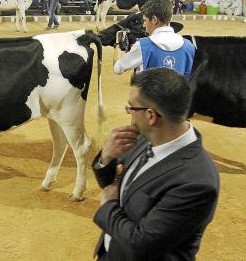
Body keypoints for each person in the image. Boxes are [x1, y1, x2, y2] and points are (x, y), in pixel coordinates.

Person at [91, 67, 219, 261]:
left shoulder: (197, 182)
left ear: (151, 115)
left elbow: (140, 246)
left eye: (131, 108)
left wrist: (107, 205)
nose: (130, 115)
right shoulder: (144, 139)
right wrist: (106, 158)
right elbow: (112, 185)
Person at [113, 0, 195, 78]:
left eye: (145, 20)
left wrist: (117, 43)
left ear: (154, 20)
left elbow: (117, 68)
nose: (144, 25)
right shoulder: (189, 46)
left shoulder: (143, 45)